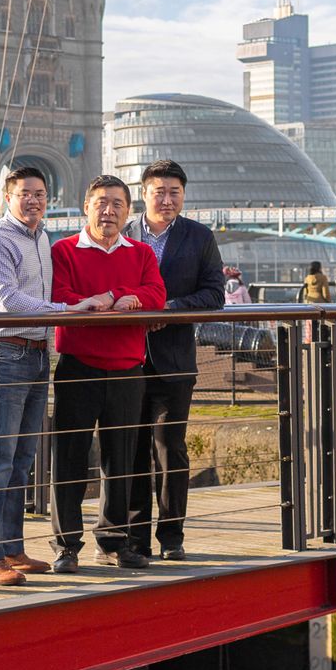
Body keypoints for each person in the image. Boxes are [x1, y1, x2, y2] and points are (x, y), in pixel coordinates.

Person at [48, 175, 166, 573]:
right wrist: (112, 302)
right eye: (101, 202)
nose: (108, 210)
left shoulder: (142, 254)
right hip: (78, 368)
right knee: (69, 459)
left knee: (122, 462)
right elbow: (61, 299)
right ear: (86, 207)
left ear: (128, 211)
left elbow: (156, 295)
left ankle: (115, 542)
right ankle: (66, 546)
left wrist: (111, 298)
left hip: (127, 370)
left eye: (117, 203)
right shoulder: (63, 251)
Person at [125, 160, 226, 562]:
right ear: (143, 193)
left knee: (170, 449)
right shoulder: (123, 234)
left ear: (183, 195)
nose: (167, 200)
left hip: (175, 359)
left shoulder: (200, 237)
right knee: (130, 449)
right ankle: (134, 539)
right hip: (127, 359)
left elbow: (214, 295)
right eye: (159, 192)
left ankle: (171, 536)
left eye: (175, 193)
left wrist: (170, 307)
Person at [0, 165, 56, 587]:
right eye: (25, 193)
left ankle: (13, 548)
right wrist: (69, 313)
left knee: (22, 459)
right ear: (8, 198)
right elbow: (8, 301)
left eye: (40, 193)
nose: (34, 200)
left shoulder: (43, 238)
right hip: (4, 352)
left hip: (38, 354)